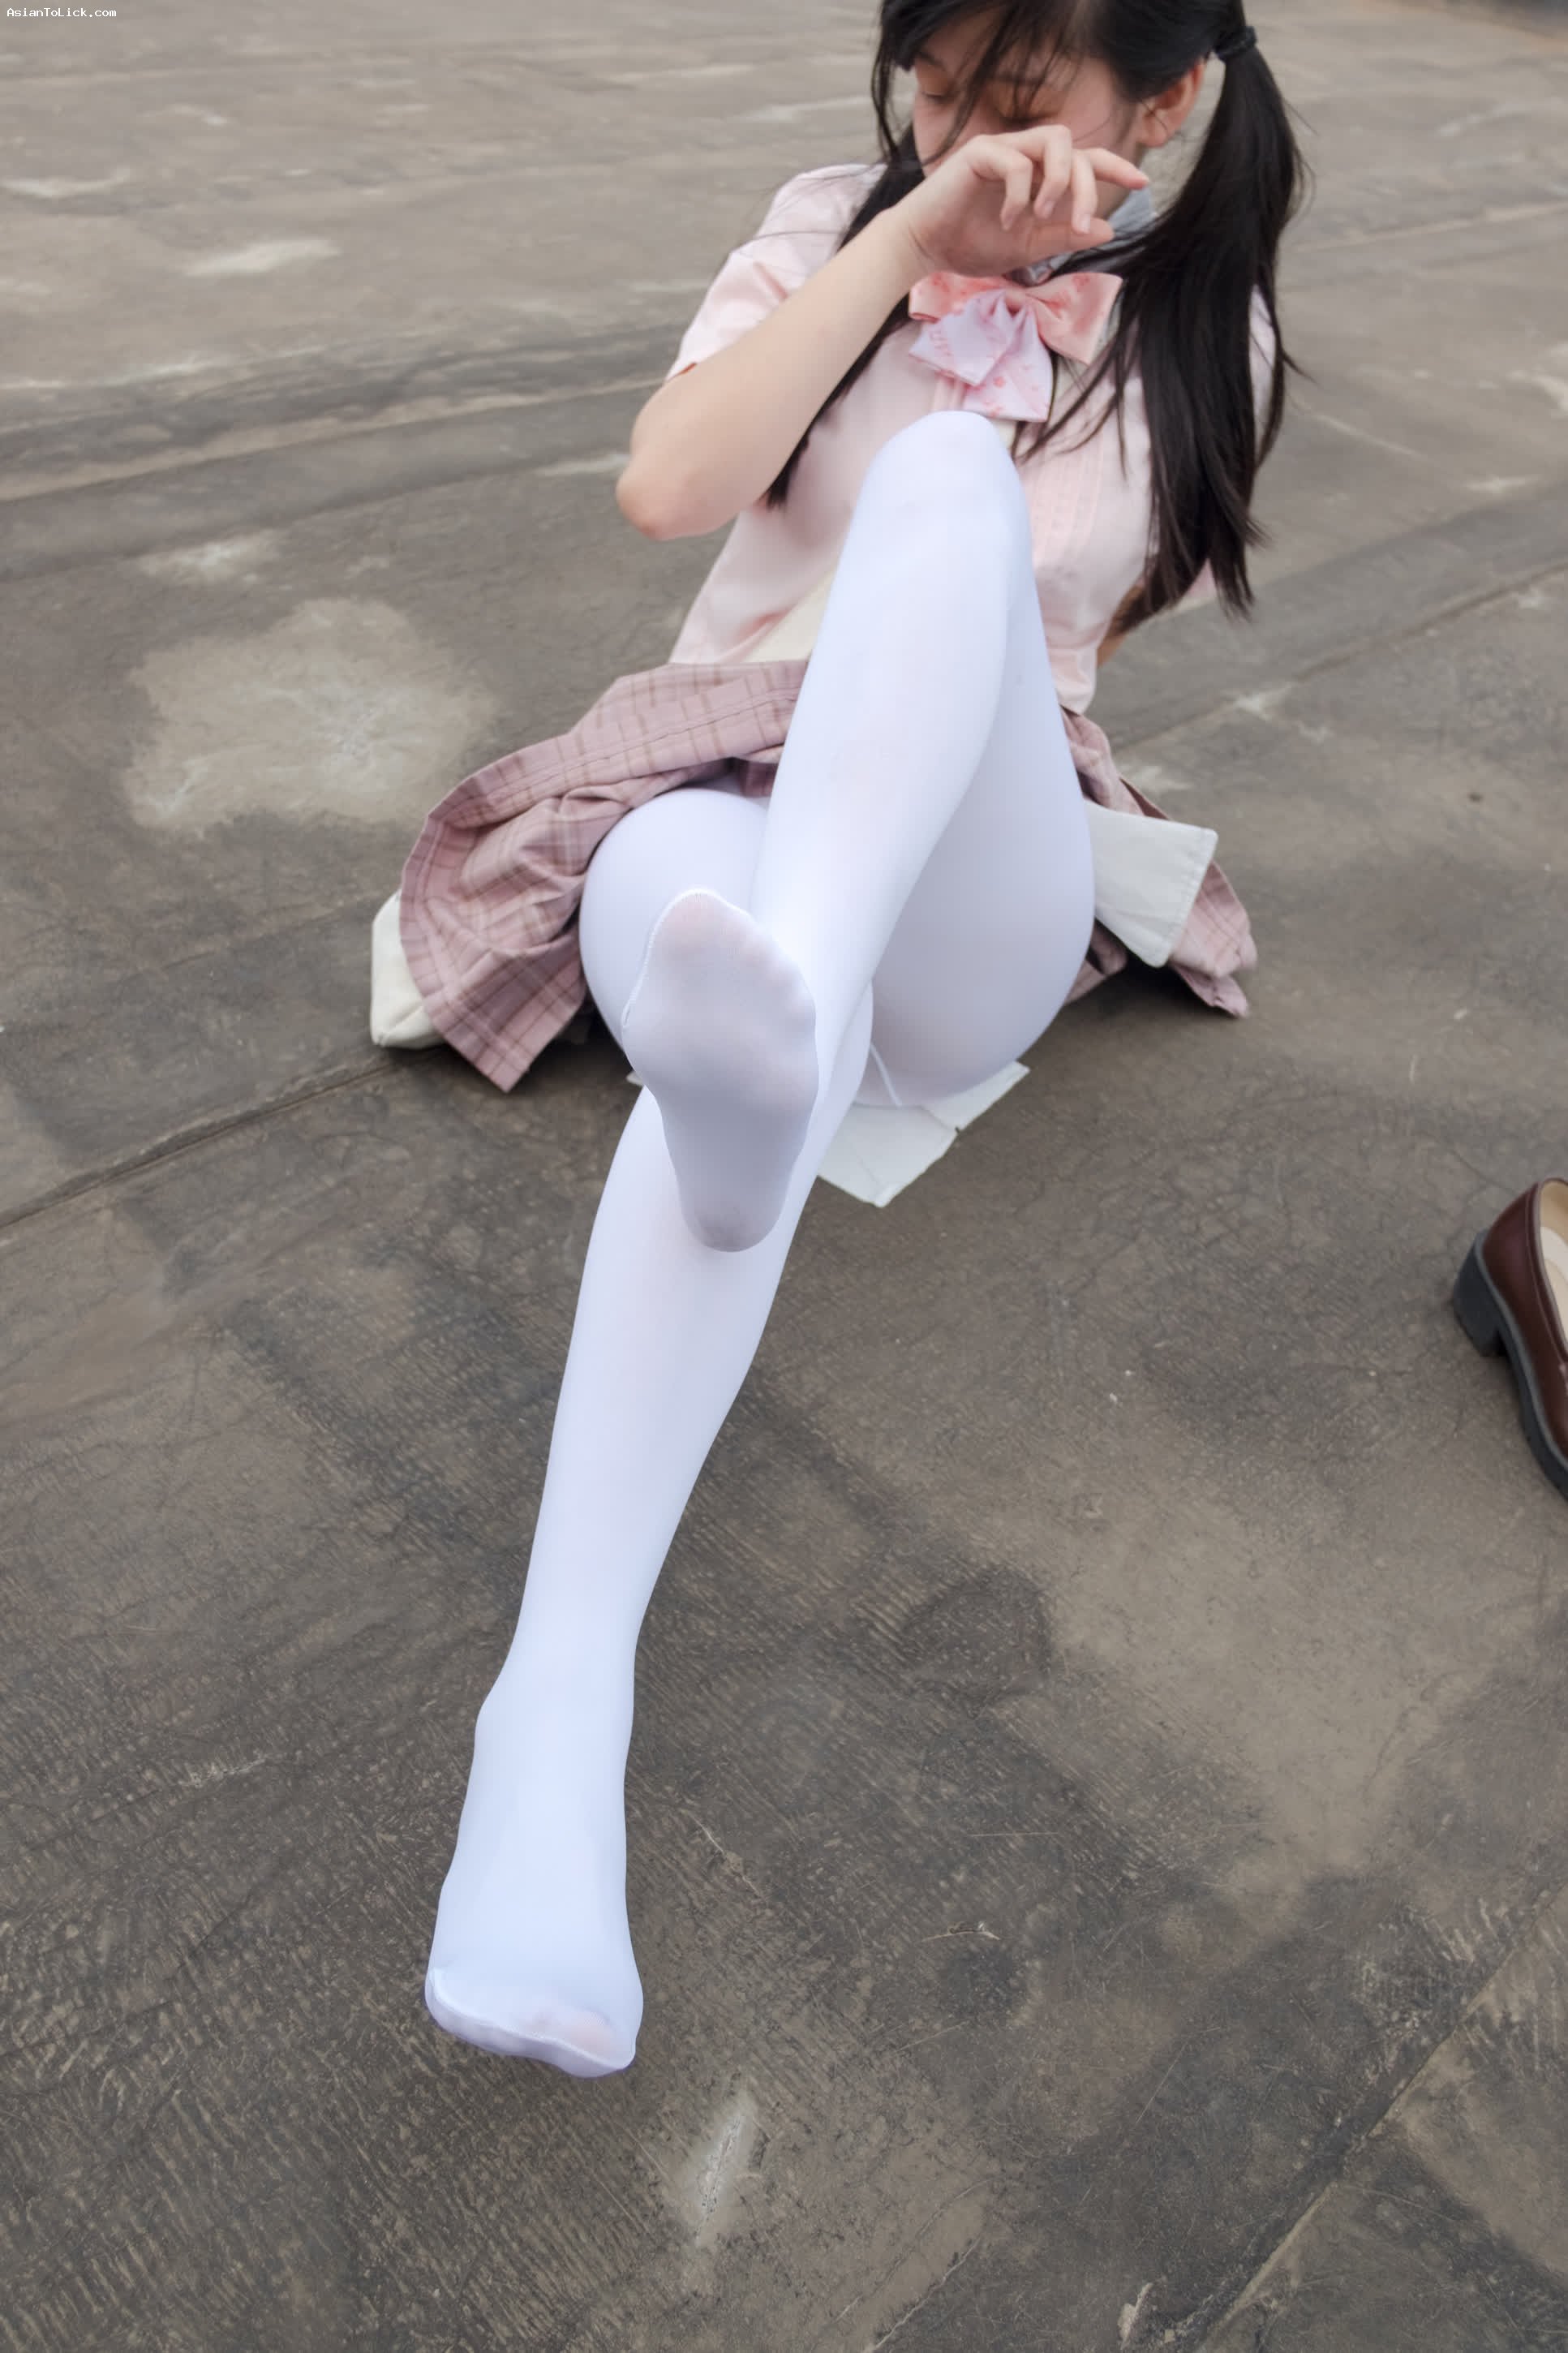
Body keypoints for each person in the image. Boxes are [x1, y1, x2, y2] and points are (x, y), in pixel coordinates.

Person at [406, 0, 1305, 2076]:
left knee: (947, 494)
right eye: (935, 78)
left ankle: (777, 1035)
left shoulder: (1202, 329)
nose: (957, 124)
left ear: (1165, 103)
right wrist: (908, 247)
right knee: (681, 910)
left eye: (1017, 97)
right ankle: (553, 1727)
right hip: (703, 810)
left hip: (969, 870)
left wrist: (992, 379)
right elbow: (668, 486)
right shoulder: (834, 221)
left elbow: (1090, 635)